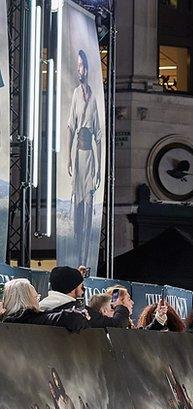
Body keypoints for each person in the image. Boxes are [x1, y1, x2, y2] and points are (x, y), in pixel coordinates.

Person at [66, 49, 102, 262]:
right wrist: (69, 158)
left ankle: (86, 249)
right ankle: (78, 242)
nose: (81, 70)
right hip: (78, 155)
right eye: (79, 66)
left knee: (89, 201)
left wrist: (98, 166)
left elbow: (98, 134)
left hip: (89, 155)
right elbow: (71, 126)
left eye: (83, 65)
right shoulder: (76, 94)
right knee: (79, 200)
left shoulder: (93, 97)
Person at [2, 279, 85, 330]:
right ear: (26, 301)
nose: (39, 301)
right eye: (36, 297)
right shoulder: (33, 321)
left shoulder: (5, 322)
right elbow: (72, 317)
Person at [38, 266, 90, 331]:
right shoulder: (75, 312)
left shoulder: (39, 308)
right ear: (73, 288)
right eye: (81, 286)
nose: (83, 290)